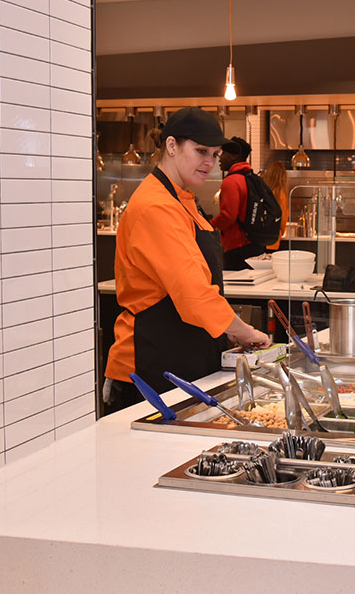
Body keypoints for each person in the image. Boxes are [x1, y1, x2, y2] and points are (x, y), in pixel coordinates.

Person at [103, 108, 270, 414]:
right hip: (151, 365)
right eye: (201, 151)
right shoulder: (156, 206)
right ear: (171, 146)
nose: (210, 162)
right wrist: (245, 330)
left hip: (181, 357)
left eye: (216, 154)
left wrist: (228, 329)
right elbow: (193, 293)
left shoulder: (181, 200)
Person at [212, 136, 269, 270]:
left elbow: (228, 216)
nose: (220, 158)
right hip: (255, 244)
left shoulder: (231, 182)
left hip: (237, 248)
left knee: (235, 288)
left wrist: (208, 226)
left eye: (224, 153)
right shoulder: (252, 179)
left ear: (234, 156)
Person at [260, 161, 289, 251]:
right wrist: (281, 232)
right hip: (273, 239)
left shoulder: (262, 189)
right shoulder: (281, 194)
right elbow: (283, 218)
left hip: (257, 238)